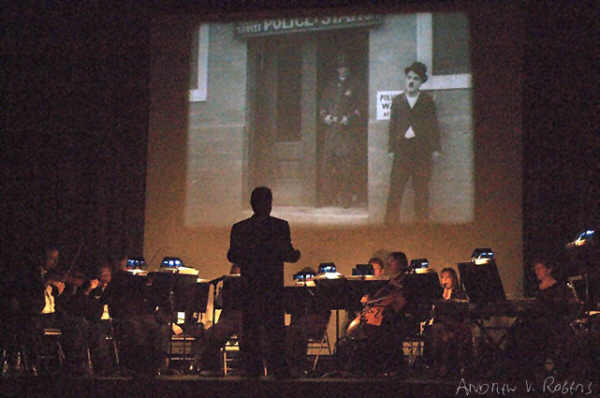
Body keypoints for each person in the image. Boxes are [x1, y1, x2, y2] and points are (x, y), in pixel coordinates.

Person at [227, 186, 301, 378]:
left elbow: (232, 255)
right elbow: (288, 254)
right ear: (269, 203)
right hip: (272, 286)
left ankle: (253, 370)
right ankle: (279, 370)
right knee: (274, 329)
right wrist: (294, 255)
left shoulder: (240, 228)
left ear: (252, 203)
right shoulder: (280, 226)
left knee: (251, 329)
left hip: (250, 286)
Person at [336, 252, 412, 376]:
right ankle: (360, 365)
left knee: (371, 330)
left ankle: (369, 365)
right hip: (379, 311)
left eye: (391, 261)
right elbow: (379, 296)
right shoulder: (388, 280)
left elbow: (402, 299)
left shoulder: (407, 280)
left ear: (400, 263)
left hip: (396, 316)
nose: (388, 264)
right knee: (354, 328)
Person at [19, 245, 90, 376]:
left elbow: (63, 297)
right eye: (51, 259)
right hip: (37, 316)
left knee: (80, 323)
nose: (55, 263)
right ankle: (36, 364)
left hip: (53, 315)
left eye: (57, 259)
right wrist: (46, 282)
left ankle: (75, 364)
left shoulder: (54, 275)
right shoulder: (30, 275)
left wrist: (69, 288)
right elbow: (29, 294)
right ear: (41, 258)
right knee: (33, 330)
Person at [505, 257, 580, 377]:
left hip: (550, 326)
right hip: (536, 323)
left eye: (539, 268)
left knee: (526, 333)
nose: (537, 271)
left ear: (548, 270)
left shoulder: (559, 289)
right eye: (535, 269)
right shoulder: (538, 289)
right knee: (516, 331)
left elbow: (558, 310)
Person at [385, 61, 441, 224]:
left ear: (421, 82)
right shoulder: (397, 101)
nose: (411, 81)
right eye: (409, 77)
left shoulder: (427, 101)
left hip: (421, 152)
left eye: (415, 79)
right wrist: (391, 148)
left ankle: (421, 228)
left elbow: (433, 125)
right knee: (395, 191)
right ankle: (389, 227)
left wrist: (436, 148)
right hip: (402, 152)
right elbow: (392, 126)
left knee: (421, 191)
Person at [109, 253, 172, 376]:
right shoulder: (119, 281)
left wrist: (149, 287)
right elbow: (116, 305)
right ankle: (139, 364)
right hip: (125, 316)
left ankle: (157, 363)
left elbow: (154, 303)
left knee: (161, 328)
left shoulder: (143, 284)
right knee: (136, 326)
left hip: (144, 316)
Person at [319, 53, 361, 208]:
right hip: (331, 132)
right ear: (337, 69)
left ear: (349, 69)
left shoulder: (355, 85)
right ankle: (328, 197)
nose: (342, 70)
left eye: (345, 67)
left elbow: (360, 109)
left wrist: (348, 119)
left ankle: (345, 198)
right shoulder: (330, 86)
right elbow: (322, 107)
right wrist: (325, 118)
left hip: (346, 132)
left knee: (346, 166)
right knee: (328, 165)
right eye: (340, 67)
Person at [193, 264, 243, 376]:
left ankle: (246, 368)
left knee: (247, 336)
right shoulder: (228, 284)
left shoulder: (252, 284)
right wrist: (222, 292)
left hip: (246, 318)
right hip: (228, 318)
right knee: (214, 335)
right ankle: (212, 368)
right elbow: (220, 304)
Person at [425, 267, 472, 378]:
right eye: (442, 277)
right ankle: (435, 365)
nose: (445, 280)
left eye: (448, 277)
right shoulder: (438, 293)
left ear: (454, 279)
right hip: (440, 326)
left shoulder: (459, 293)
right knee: (435, 330)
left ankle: (444, 366)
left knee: (441, 332)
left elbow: (462, 313)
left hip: (455, 325)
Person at [285, 267, 332, 376]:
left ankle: (298, 365)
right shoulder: (297, 295)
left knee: (297, 333)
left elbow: (324, 314)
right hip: (299, 327)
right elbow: (290, 310)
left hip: (312, 327)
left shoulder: (320, 295)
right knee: (292, 332)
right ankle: (294, 364)